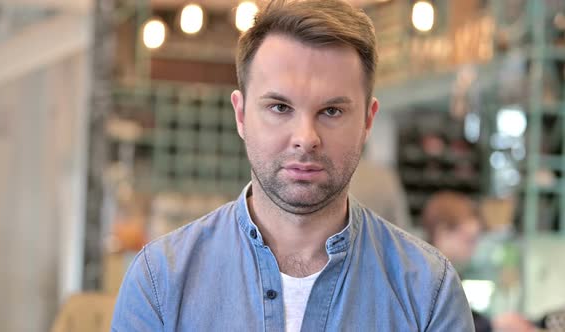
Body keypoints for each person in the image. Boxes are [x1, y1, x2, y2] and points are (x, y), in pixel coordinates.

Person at [111, 0, 475, 330]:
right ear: (240, 114)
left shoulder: (429, 292)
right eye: (280, 108)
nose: (306, 137)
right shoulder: (160, 282)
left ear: (367, 120)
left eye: (331, 111)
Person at [421, 191, 535, 332]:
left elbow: (461, 315)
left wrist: (492, 323)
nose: (473, 249)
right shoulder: (428, 278)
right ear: (443, 233)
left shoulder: (443, 274)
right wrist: (493, 325)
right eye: (469, 240)